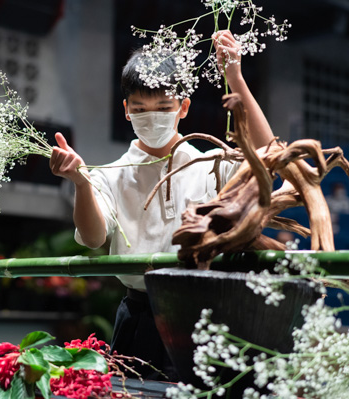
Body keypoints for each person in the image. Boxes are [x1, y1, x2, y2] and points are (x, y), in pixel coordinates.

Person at [50, 30, 274, 380]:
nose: (151, 117)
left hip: (207, 312)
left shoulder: (213, 163)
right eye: (139, 109)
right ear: (126, 110)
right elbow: (93, 239)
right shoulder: (107, 175)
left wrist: (235, 78)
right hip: (140, 315)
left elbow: (268, 157)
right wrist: (80, 182)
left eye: (163, 108)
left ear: (183, 106)